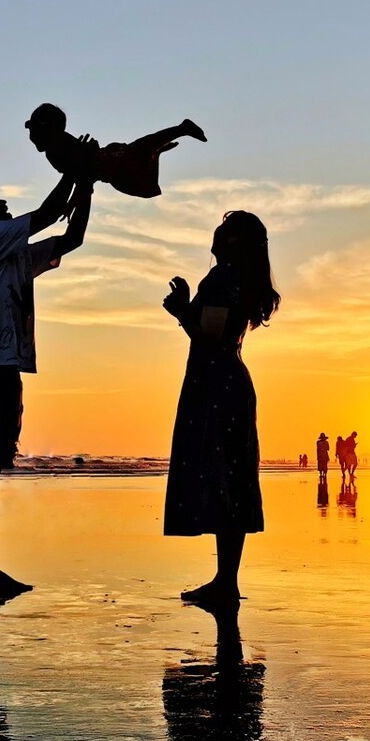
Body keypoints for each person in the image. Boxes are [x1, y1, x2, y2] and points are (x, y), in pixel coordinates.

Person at [0, 173, 94, 607]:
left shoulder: (13, 253)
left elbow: (72, 238)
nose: (5, 204)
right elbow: (48, 213)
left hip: (5, 370)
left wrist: (87, 187)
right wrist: (75, 171)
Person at [162, 211, 280, 609]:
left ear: (234, 242)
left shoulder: (224, 277)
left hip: (214, 385)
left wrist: (181, 311)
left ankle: (225, 582)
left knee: (221, 478)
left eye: (226, 228)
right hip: (228, 382)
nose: (217, 231)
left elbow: (210, 336)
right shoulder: (242, 278)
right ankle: (225, 580)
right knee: (231, 479)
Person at [26, 102, 206, 200]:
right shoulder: (57, 147)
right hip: (109, 168)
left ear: (47, 130)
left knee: (143, 149)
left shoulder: (56, 149)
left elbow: (78, 174)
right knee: (148, 186)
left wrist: (73, 202)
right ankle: (160, 149)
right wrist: (72, 203)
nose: (31, 135)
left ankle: (181, 130)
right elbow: (78, 177)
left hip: (109, 162)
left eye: (33, 129)